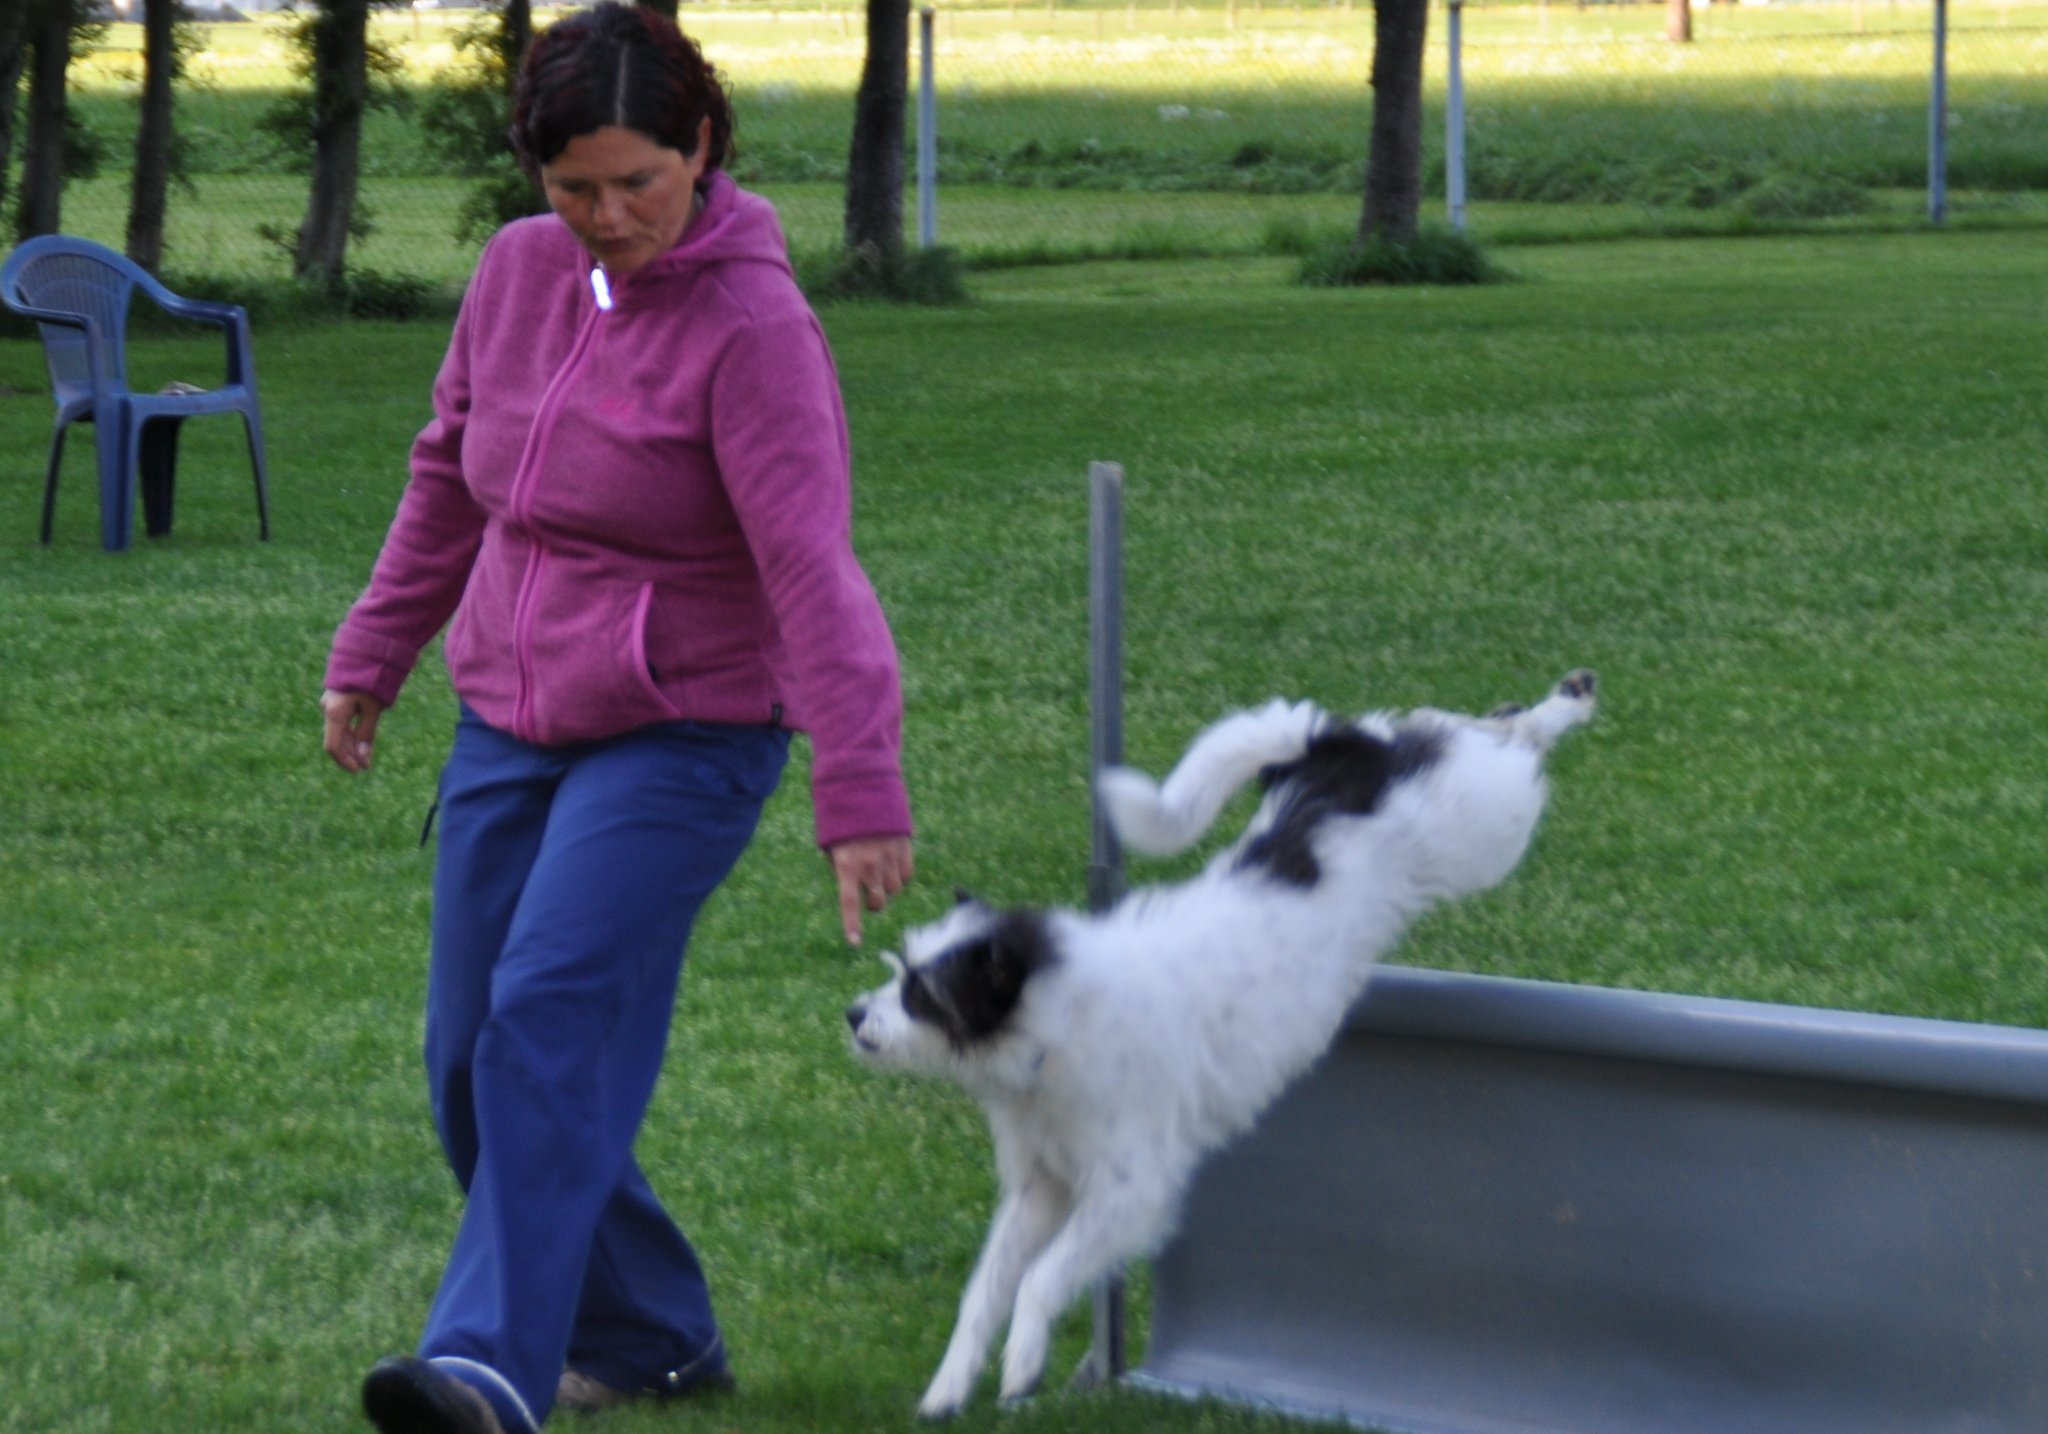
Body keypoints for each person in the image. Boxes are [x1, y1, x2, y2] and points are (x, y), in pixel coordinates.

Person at [320, 7, 913, 1430]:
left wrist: (860, 781)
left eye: (638, 181)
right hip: (510, 717)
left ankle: (485, 1367)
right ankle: (649, 1334)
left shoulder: (755, 329)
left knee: (545, 1019)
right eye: (574, 186)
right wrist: (377, 646)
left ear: (700, 147)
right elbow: (450, 472)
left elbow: (808, 564)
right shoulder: (519, 272)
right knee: (468, 1057)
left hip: (685, 729)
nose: (607, 216)